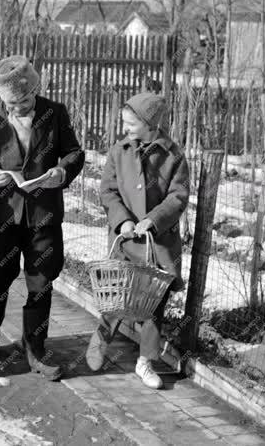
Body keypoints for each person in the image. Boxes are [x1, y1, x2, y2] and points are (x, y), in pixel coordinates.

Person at [0, 55, 84, 381]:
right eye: (11, 102)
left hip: (42, 215)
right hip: (4, 214)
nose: (18, 107)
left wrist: (61, 172)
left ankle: (35, 348)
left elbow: (75, 153)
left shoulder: (55, 112)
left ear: (35, 89)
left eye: (24, 100)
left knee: (41, 282)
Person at [85, 91, 189, 389]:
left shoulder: (173, 156)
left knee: (155, 304)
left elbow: (178, 196)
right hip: (127, 238)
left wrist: (153, 220)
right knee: (117, 295)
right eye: (124, 122)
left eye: (131, 123)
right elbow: (108, 191)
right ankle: (103, 336)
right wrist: (125, 220)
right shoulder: (119, 151)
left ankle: (146, 361)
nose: (125, 128)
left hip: (158, 245)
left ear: (149, 123)